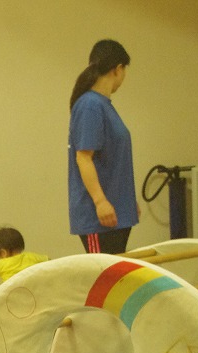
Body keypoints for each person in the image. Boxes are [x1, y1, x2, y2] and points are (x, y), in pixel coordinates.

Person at [68, 39, 138, 254]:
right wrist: (100, 202)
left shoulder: (104, 106)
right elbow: (83, 158)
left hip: (117, 214)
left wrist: (126, 200)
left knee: (118, 282)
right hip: (98, 219)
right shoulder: (90, 105)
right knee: (103, 282)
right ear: (118, 69)